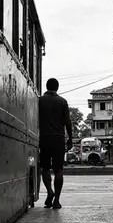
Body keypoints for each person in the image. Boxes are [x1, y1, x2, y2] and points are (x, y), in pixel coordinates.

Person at [38, 78, 72, 209]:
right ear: (57, 88)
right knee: (58, 170)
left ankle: (49, 191)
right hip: (59, 138)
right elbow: (67, 121)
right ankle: (57, 200)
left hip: (45, 138)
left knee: (45, 168)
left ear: (46, 87)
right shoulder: (62, 102)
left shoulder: (40, 101)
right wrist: (70, 138)